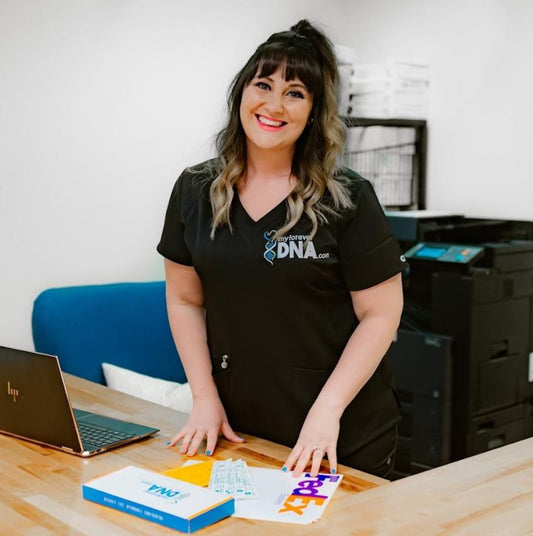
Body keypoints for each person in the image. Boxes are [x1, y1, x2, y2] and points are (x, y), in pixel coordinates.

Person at [157, 19, 406, 478]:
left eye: (295, 93)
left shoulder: (347, 198)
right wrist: (204, 398)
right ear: (241, 96)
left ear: (313, 111)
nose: (274, 105)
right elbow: (184, 299)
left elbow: (382, 315)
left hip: (339, 430)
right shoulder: (195, 190)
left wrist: (327, 410)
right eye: (263, 85)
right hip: (241, 427)